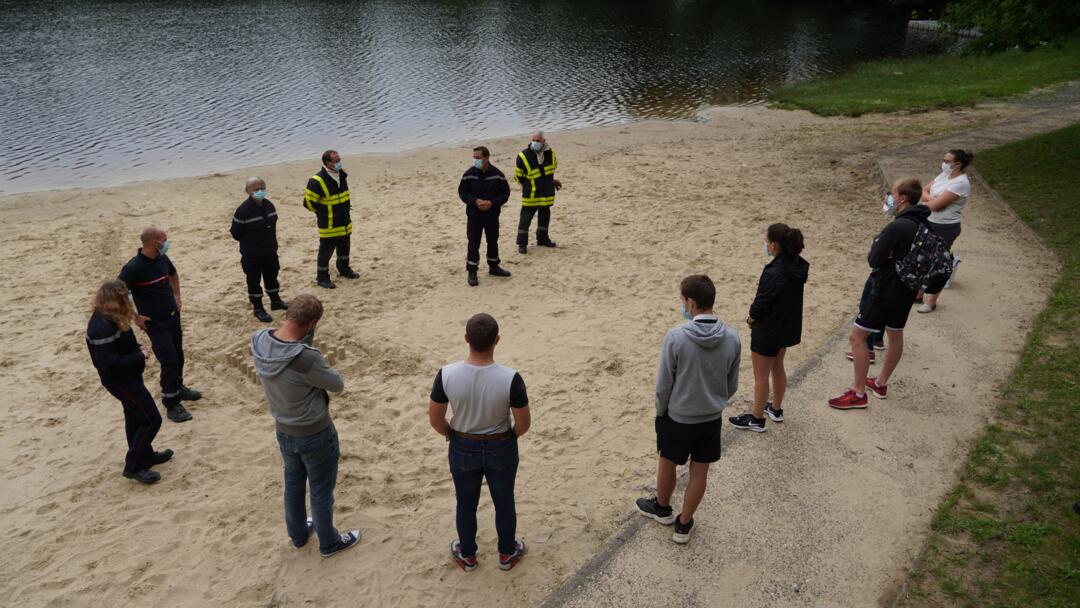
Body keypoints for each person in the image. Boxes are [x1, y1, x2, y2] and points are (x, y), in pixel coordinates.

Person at [251, 294, 360, 558]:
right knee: (321, 489)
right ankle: (329, 543)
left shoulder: (259, 339)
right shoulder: (306, 358)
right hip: (314, 431)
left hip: (283, 428)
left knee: (293, 482)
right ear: (311, 323)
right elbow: (337, 384)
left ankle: (299, 535)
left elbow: (286, 351)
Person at [636, 275, 741, 544]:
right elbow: (732, 384)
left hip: (679, 416)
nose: (681, 305)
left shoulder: (676, 337)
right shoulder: (731, 337)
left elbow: (663, 385)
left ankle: (662, 507)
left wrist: (661, 411)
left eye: (682, 300)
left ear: (691, 303)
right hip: (711, 417)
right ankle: (684, 523)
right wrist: (715, 401)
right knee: (699, 472)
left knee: (667, 462)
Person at [429, 313, 530, 571]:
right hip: (501, 444)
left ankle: (468, 554)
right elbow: (523, 423)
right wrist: (511, 436)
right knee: (504, 501)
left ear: (466, 339)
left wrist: (450, 434)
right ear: (497, 340)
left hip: (463, 444)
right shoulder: (511, 378)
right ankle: (507, 553)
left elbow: (436, 418)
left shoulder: (446, 374)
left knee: (465, 502)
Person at [829, 178, 930, 409]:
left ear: (902, 198)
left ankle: (858, 393)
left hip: (885, 288)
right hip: (907, 289)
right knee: (895, 335)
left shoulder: (896, 226)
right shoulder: (923, 222)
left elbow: (873, 259)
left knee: (857, 336)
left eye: (891, 193)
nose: (888, 197)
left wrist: (880, 246)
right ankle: (881, 383)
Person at [86, 280, 172, 485]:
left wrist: (137, 349)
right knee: (151, 419)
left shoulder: (111, 317)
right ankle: (133, 465)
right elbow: (109, 364)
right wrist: (139, 355)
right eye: (125, 297)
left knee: (134, 415)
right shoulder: (102, 327)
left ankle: (146, 455)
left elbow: (123, 345)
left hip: (129, 376)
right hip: (120, 381)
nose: (129, 301)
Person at [729, 224, 808, 432]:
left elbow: (761, 303)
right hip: (786, 327)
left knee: (761, 375)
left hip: (769, 329)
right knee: (778, 366)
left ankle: (757, 419)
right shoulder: (798, 265)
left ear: (774, 245)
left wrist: (751, 319)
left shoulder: (774, 272)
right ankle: (776, 408)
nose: (765, 244)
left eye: (767, 241)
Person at [119, 227, 201, 423]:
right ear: (154, 242)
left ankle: (178, 388)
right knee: (169, 359)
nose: (167, 243)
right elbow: (119, 292)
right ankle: (171, 402)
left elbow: (173, 274)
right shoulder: (133, 267)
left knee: (178, 354)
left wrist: (177, 295)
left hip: (173, 316)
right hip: (155, 323)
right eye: (164, 240)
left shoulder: (162, 259)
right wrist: (135, 317)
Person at [917, 149, 973, 313]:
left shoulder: (961, 183)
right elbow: (923, 191)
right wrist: (933, 200)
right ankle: (919, 294)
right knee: (922, 258)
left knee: (938, 263)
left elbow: (935, 206)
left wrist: (932, 202)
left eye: (947, 161)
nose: (944, 163)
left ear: (957, 164)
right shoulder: (944, 176)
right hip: (930, 221)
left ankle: (931, 301)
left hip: (946, 227)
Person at [231, 176, 289, 322]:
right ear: (248, 191)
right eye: (256, 189)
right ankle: (258, 308)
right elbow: (235, 233)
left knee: (272, 275)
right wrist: (251, 243)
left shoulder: (269, 205)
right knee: (254, 280)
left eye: (262, 188)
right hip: (252, 253)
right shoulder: (243, 210)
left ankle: (275, 301)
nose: (260, 191)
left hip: (270, 250)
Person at [457, 146, 513, 287]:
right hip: (474, 216)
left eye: (478, 158)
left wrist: (492, 203)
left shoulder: (497, 174)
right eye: (474, 157)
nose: (475, 160)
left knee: (493, 242)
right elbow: (462, 193)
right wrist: (475, 201)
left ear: (487, 158)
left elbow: (505, 194)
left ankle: (494, 267)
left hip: (492, 215)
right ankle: (472, 271)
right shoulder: (468, 174)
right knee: (473, 243)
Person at [304, 150, 360, 289]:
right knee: (326, 251)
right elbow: (309, 204)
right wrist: (324, 213)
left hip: (344, 221)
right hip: (329, 224)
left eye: (339, 160)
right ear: (327, 163)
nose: (339, 163)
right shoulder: (316, 181)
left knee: (344, 247)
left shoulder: (341, 175)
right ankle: (322, 277)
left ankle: (344, 269)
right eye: (336, 161)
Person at [514, 131, 562, 254]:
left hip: (546, 194)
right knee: (525, 220)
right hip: (532, 195)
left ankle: (543, 239)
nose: (535, 142)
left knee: (545, 218)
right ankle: (522, 244)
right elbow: (518, 177)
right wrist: (529, 185)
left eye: (538, 140)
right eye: (533, 140)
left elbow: (550, 170)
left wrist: (552, 181)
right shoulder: (523, 156)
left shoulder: (550, 153)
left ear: (543, 141)